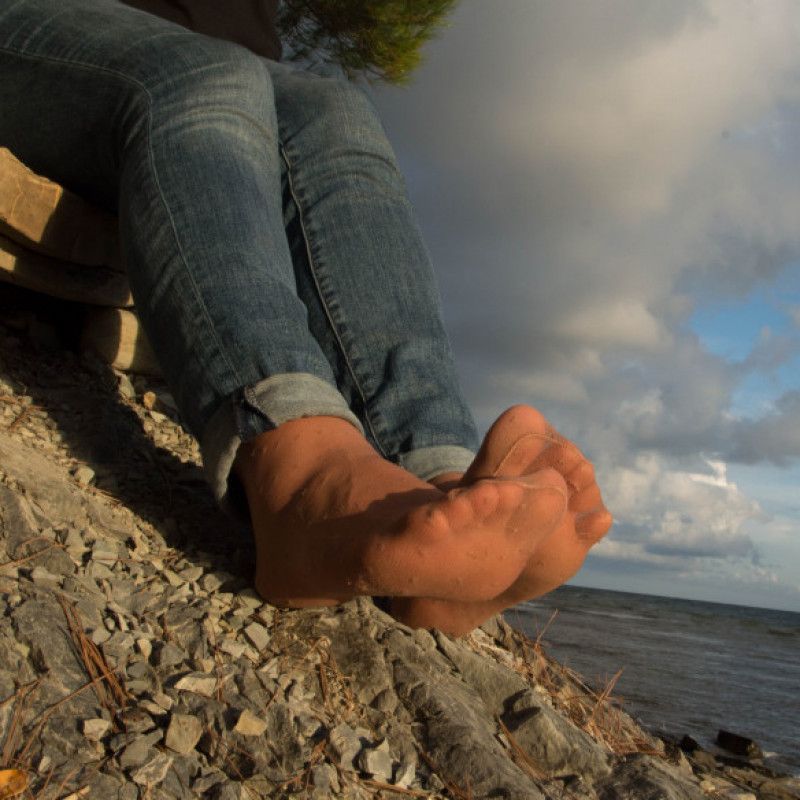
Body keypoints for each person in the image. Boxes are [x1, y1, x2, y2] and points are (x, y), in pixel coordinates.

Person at [0, 0, 612, 635]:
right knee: (205, 78)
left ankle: (434, 480)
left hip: (243, 71)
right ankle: (298, 472)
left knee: (337, 114)